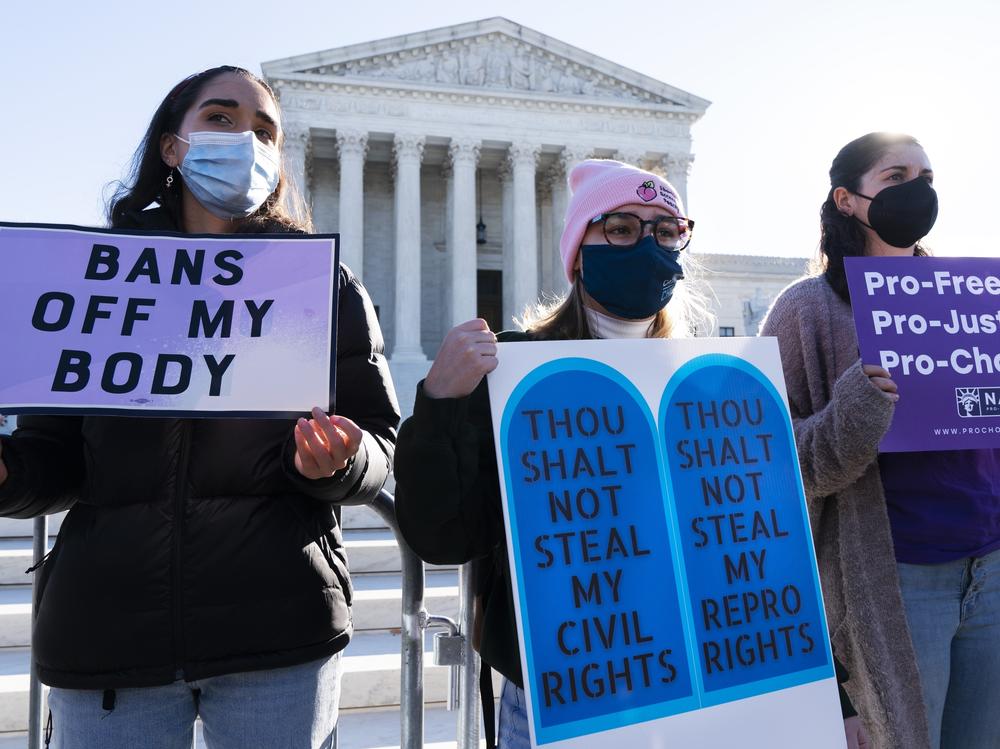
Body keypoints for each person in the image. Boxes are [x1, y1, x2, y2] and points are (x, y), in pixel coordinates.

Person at [394, 159, 858, 748]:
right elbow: (443, 538)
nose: (647, 244)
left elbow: (760, 550)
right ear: (579, 250)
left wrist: (833, 695)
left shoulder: (710, 385)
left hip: (701, 689)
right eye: (620, 227)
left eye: (665, 232)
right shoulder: (507, 373)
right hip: (554, 699)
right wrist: (439, 401)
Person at [0, 65, 400, 749]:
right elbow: (55, 455)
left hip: (279, 630)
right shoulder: (96, 276)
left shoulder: (318, 285)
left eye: (265, 130)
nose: (246, 137)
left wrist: (337, 460)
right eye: (220, 118)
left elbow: (377, 444)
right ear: (171, 147)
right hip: (111, 633)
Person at [761, 132, 1000, 749]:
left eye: (926, 176)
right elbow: (776, 465)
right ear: (846, 200)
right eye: (896, 177)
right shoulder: (805, 310)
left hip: (991, 568)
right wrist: (856, 408)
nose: (917, 190)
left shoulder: (969, 296)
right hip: (897, 580)